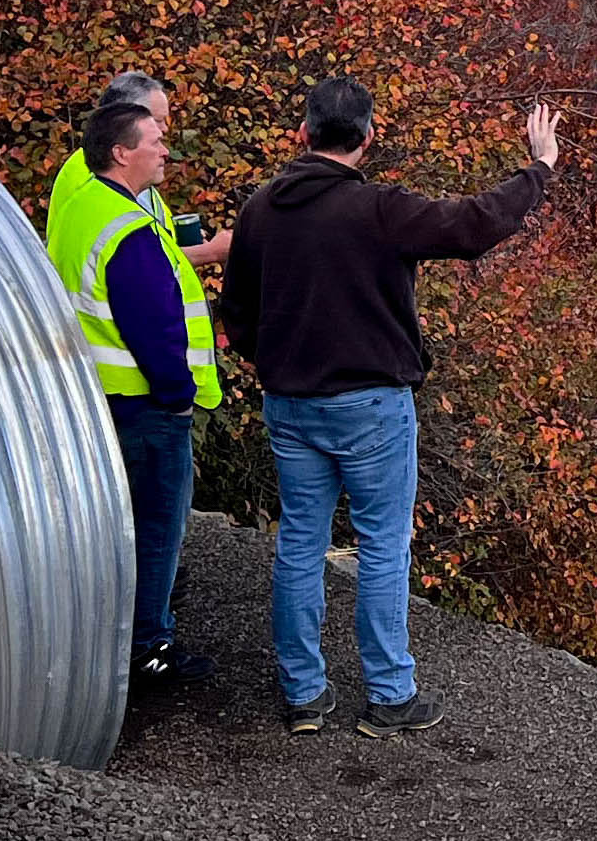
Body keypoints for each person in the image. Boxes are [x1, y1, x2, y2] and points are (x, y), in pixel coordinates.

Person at [221, 77, 559, 736]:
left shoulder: (260, 211)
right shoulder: (378, 209)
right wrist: (538, 169)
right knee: (381, 549)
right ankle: (389, 696)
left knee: (299, 546)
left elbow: (234, 313)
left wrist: (273, 365)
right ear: (369, 137)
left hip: (292, 405)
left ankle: (303, 695)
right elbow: (472, 225)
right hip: (371, 405)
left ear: (303, 133)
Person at [46, 91, 223, 690]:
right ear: (123, 154)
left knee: (115, 525)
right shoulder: (127, 228)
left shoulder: (82, 206)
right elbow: (153, 325)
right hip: (147, 405)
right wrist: (178, 393)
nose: (166, 149)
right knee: (156, 527)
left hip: (100, 397)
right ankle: (149, 647)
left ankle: (113, 638)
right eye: (156, 141)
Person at [45, 69, 230, 278]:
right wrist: (209, 252)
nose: (164, 129)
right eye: (156, 120)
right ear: (126, 117)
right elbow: (134, 260)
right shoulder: (93, 173)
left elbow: (152, 247)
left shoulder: (135, 176)